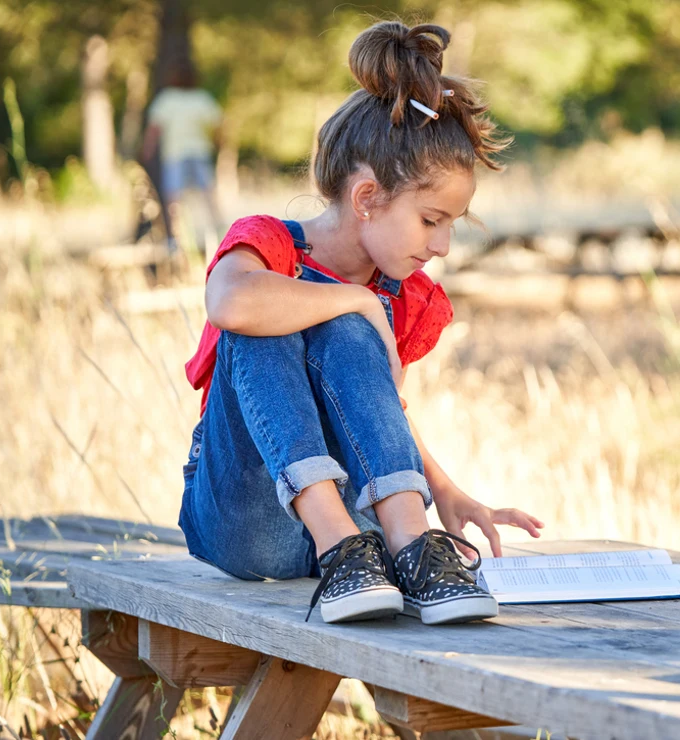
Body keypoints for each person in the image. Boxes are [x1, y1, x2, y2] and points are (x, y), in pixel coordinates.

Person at [178, 21, 544, 626]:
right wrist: (358, 303)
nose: (445, 245)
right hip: (245, 516)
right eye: (431, 220)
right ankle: (337, 543)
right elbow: (229, 305)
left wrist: (446, 489)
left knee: (348, 325)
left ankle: (414, 548)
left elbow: (374, 406)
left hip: (363, 522)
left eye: (452, 223)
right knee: (271, 312)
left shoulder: (398, 289)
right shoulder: (268, 243)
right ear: (368, 197)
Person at [141, 61, 224, 253]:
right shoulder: (202, 99)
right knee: (209, 196)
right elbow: (219, 125)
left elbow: (154, 129)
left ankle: (174, 240)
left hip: (175, 154)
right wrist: (218, 144)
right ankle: (219, 232)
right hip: (199, 152)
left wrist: (147, 150)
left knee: (173, 198)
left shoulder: (166, 99)